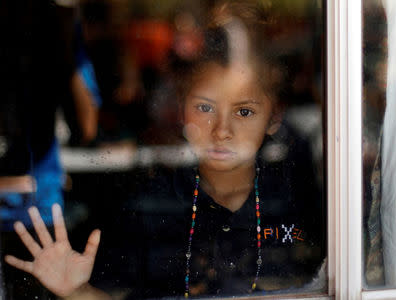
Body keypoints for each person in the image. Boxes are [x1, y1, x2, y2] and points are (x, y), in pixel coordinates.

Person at [4, 1, 326, 299]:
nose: (222, 131)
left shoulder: (292, 199)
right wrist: (77, 291)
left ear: (273, 115)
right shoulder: (151, 209)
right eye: (205, 108)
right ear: (181, 107)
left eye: (244, 112)